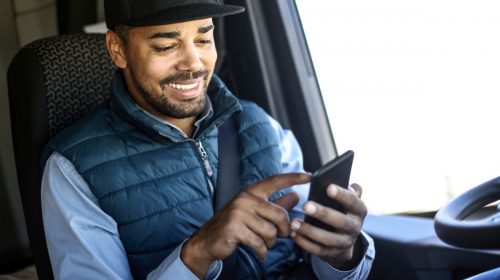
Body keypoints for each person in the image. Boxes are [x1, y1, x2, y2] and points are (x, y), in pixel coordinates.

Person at [41, 0, 375, 279]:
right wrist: (198, 252)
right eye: (166, 45)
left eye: (203, 39)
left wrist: (343, 254)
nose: (193, 63)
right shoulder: (73, 170)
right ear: (118, 50)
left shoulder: (260, 125)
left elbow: (316, 256)